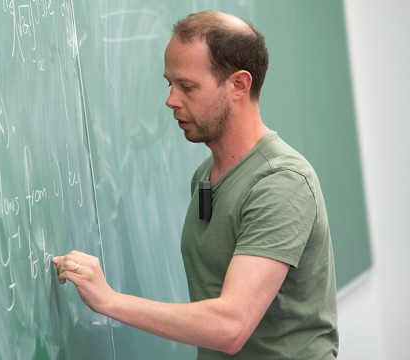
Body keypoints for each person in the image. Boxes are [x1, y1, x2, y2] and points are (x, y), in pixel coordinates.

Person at [53, 10, 338, 359]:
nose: (171, 100)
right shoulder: (206, 176)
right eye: (169, 84)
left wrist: (110, 300)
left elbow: (231, 326)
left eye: (187, 87)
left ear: (239, 85)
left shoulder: (281, 183)